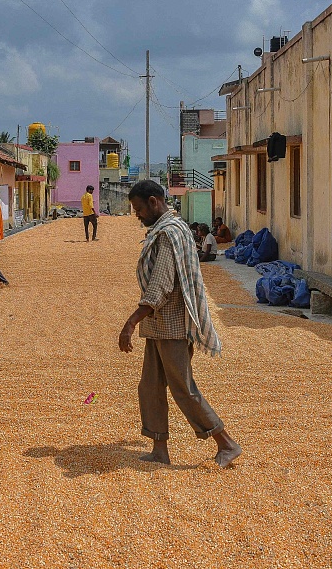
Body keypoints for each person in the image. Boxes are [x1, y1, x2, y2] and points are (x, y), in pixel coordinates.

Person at [119, 180, 242, 468]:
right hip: (159, 326)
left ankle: (227, 443)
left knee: (183, 388)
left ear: (153, 202)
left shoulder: (168, 234)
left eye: (138, 209)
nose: (137, 215)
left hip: (172, 326)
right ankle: (159, 449)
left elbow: (161, 284)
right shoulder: (170, 229)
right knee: (150, 387)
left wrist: (131, 322)